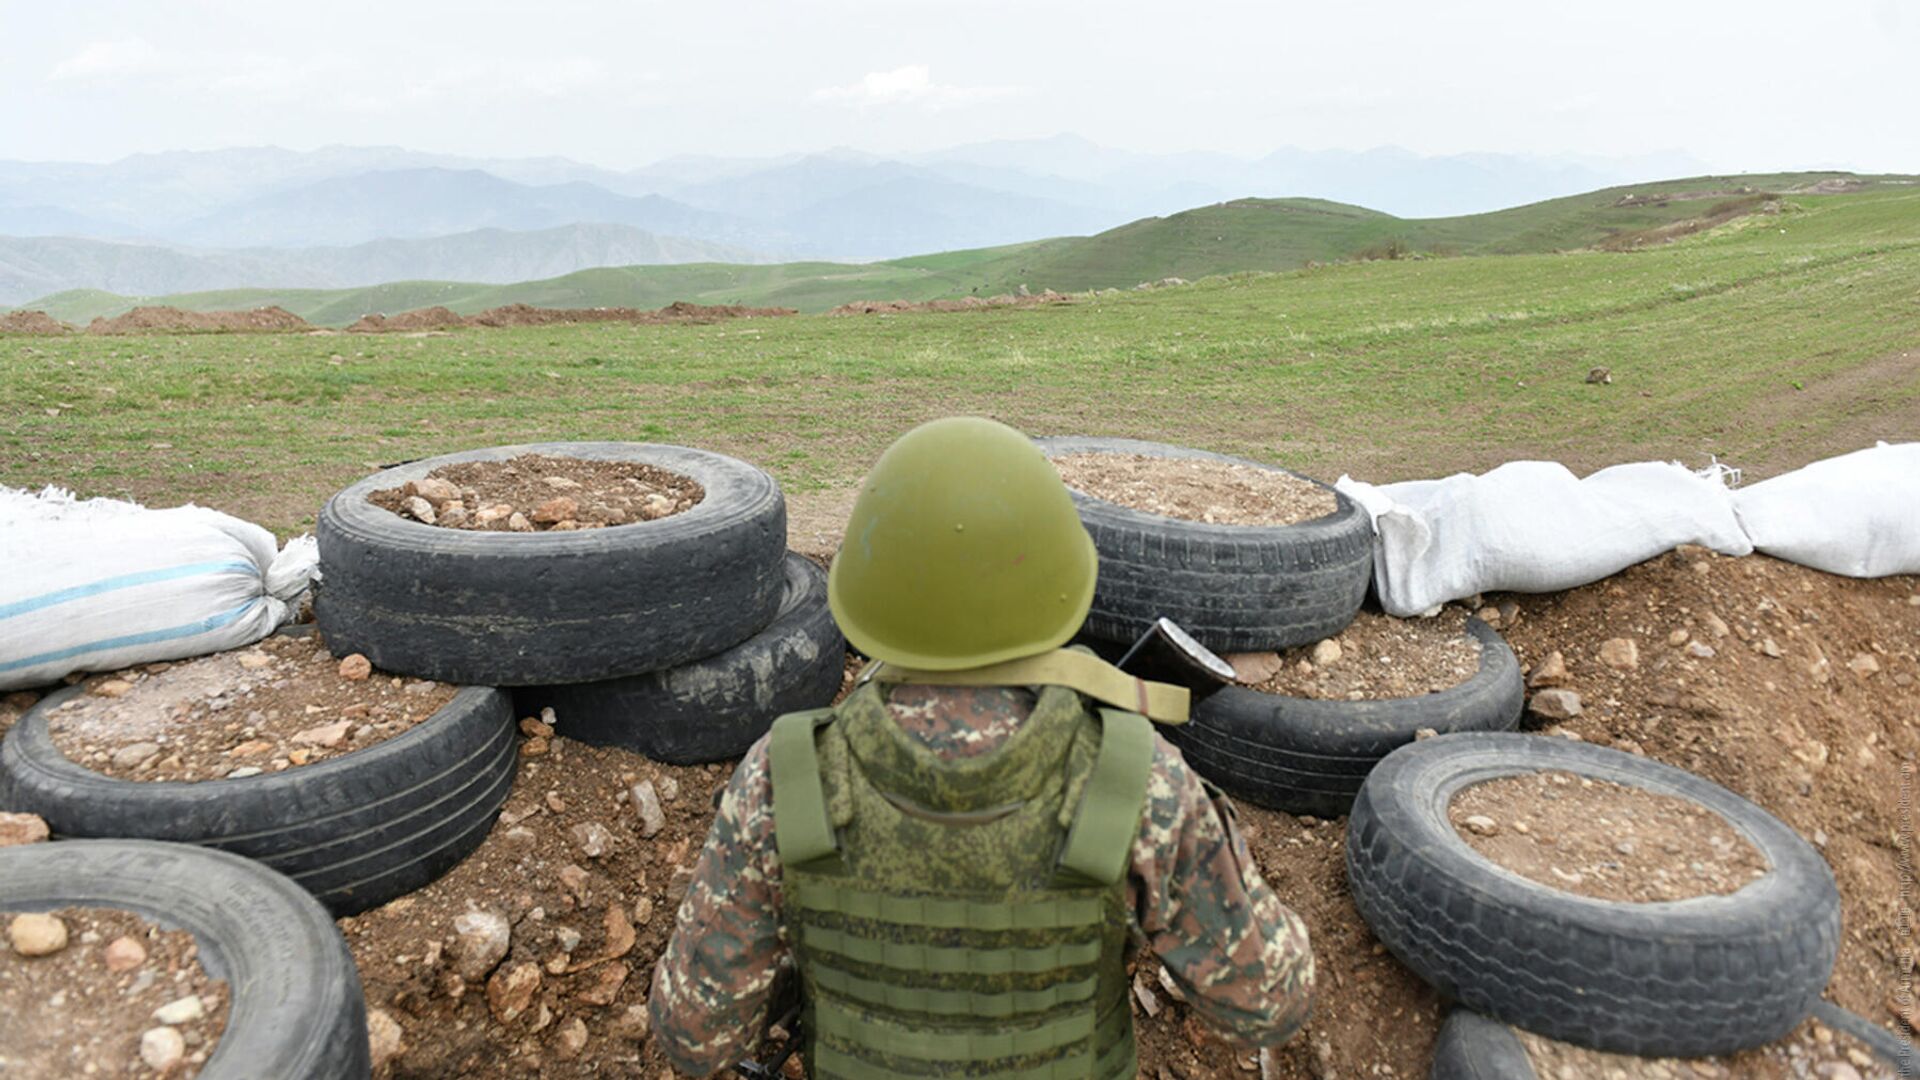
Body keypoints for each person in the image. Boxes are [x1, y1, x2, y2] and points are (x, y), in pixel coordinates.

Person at [649, 416, 1314, 1078]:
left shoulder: (784, 780)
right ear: (1058, 585)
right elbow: (1268, 1006)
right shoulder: (1138, 783)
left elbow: (695, 1038)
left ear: (867, 594)